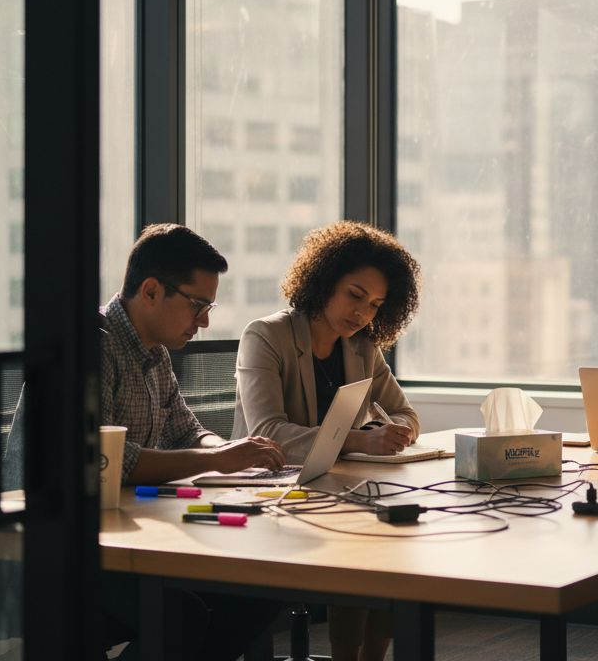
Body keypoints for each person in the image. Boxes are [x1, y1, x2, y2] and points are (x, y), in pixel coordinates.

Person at [95, 223, 287, 659]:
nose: (204, 321)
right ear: (150, 291)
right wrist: (220, 460)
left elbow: (186, 430)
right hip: (73, 549)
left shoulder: (154, 351)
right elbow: (108, 462)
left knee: (261, 592)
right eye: (198, 305)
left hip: (133, 537)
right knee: (180, 617)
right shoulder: (96, 346)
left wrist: (233, 455)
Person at [233, 220, 422, 661]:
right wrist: (359, 441)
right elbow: (267, 434)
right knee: (359, 538)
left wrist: (387, 433)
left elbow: (406, 414)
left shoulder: (361, 348)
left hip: (332, 487)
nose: (362, 313)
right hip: (269, 491)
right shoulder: (266, 336)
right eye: (355, 295)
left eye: (375, 305)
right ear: (323, 281)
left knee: (390, 531)